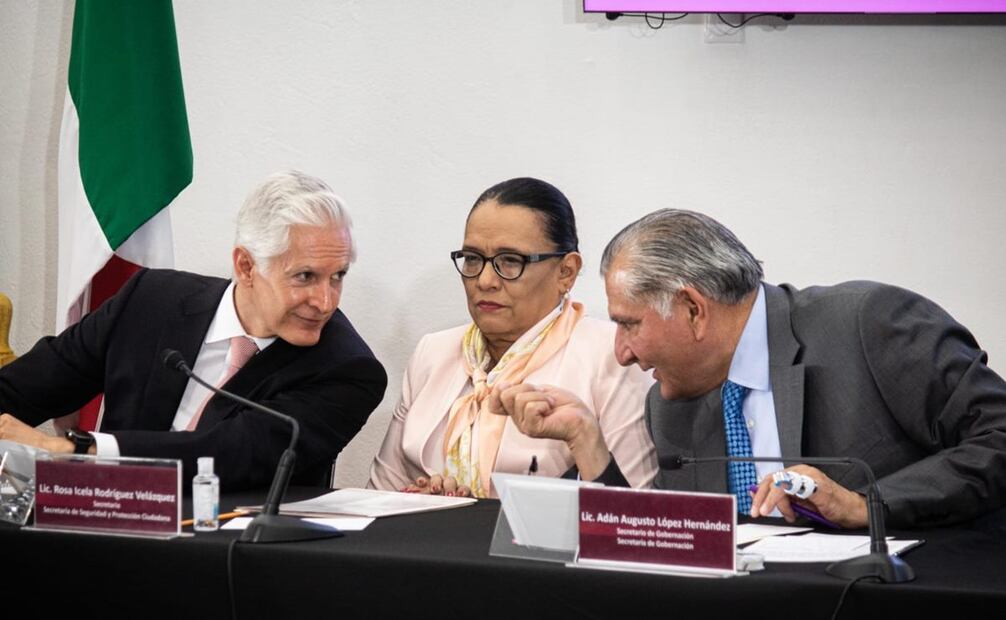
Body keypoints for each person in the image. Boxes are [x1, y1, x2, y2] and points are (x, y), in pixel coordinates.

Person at [491, 208, 1006, 529]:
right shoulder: (669, 404)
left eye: (630, 325)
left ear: (693, 310)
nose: (622, 352)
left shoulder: (870, 323)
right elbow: (674, 544)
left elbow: (998, 437)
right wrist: (587, 442)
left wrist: (865, 504)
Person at [0, 170, 387, 490]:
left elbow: (228, 454)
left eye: (337, 276)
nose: (326, 301)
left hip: (224, 564)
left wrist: (73, 452)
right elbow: (25, 387)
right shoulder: (149, 301)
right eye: (305, 276)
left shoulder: (348, 370)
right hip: (101, 538)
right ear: (247, 267)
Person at [368, 177, 656, 498]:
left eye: (510, 261)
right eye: (473, 259)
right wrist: (423, 501)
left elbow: (636, 516)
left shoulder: (612, 355)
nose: (485, 280)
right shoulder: (433, 352)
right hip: (426, 545)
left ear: (566, 272)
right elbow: (379, 496)